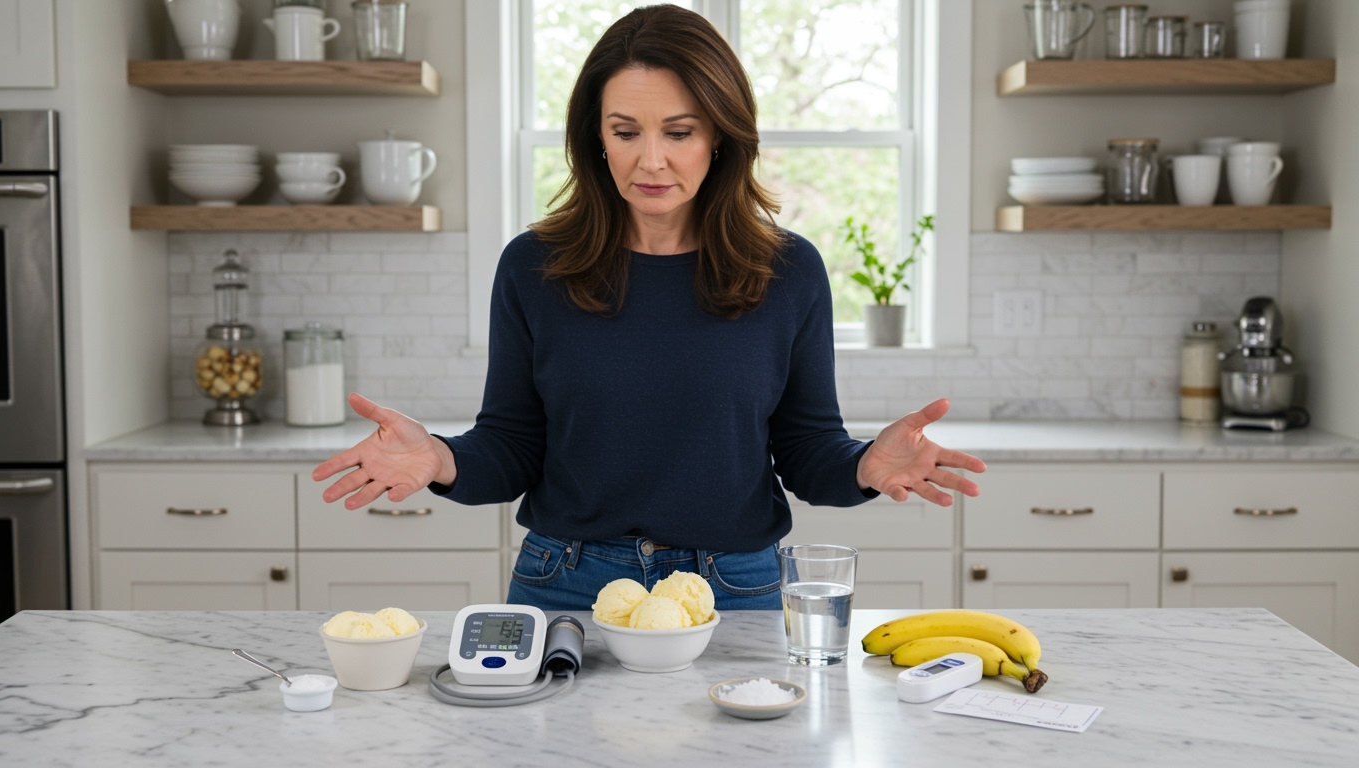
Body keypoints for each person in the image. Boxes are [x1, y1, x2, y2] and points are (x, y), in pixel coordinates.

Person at [312, 4, 986, 611]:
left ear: (719, 135)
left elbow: (807, 451)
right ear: (596, 137)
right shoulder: (532, 265)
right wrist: (439, 458)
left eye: (680, 131)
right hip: (567, 583)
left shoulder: (788, 270)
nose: (651, 159)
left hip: (736, 588)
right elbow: (513, 447)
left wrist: (863, 468)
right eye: (626, 131)